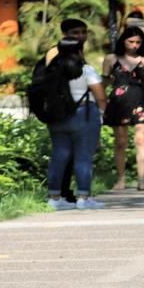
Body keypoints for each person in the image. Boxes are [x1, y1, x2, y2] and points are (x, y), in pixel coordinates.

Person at [45, 38, 107, 210]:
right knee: (83, 157)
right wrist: (101, 114)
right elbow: (100, 96)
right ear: (80, 51)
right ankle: (83, 197)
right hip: (83, 115)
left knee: (58, 156)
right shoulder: (86, 70)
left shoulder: (51, 70)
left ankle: (54, 198)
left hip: (57, 117)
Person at [102, 27, 144, 191]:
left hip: (143, 101)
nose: (134, 45)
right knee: (121, 142)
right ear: (123, 41)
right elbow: (105, 81)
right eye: (131, 42)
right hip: (119, 103)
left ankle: (142, 180)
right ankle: (121, 180)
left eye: (138, 42)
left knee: (141, 139)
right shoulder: (111, 58)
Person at [45, 18, 90, 207]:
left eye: (83, 32)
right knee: (62, 153)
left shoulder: (77, 51)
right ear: (64, 35)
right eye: (75, 33)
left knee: (70, 154)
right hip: (62, 111)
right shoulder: (55, 52)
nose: (80, 36)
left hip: (73, 109)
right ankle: (59, 194)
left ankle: (65, 193)